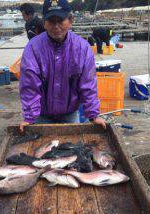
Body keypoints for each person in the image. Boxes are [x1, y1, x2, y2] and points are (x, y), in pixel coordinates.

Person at [19, 0, 106, 132]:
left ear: (71, 20)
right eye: (51, 21)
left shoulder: (83, 48)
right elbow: (29, 85)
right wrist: (29, 117)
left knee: (73, 149)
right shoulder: (33, 48)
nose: (56, 26)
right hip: (42, 115)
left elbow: (88, 85)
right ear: (44, 23)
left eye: (60, 20)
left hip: (70, 114)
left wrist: (93, 115)